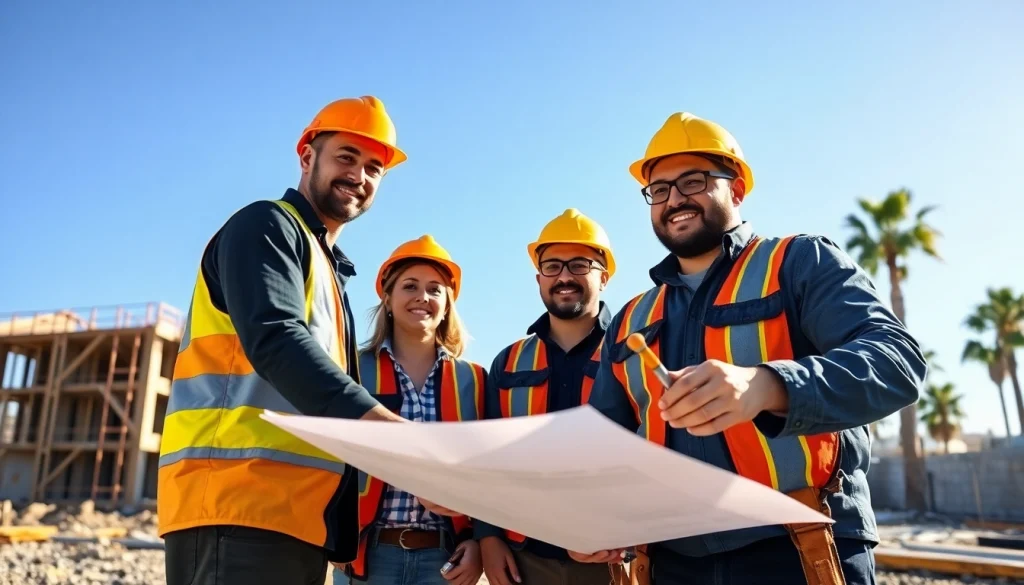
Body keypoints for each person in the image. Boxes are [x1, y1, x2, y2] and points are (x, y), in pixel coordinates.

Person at [583, 112, 928, 585]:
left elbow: (897, 362)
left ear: (737, 190)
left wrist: (768, 385)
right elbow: (605, 442)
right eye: (658, 189)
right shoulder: (630, 320)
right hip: (670, 563)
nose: (674, 199)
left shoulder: (800, 262)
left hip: (799, 548)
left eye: (693, 181)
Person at [158, 96, 411, 585]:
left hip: (292, 517)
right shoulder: (266, 226)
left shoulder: (323, 266)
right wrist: (388, 432)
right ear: (307, 156)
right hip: (235, 507)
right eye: (346, 157)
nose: (359, 175)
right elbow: (276, 338)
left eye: (374, 168)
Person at [474, 209, 623, 585]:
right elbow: (489, 457)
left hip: (612, 555)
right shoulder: (508, 361)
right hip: (526, 559)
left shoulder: (630, 350)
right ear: (539, 278)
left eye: (579, 265)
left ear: (603, 278)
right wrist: (488, 537)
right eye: (552, 266)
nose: (564, 277)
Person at [336, 235, 487, 585]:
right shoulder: (351, 371)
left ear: (447, 305)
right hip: (364, 560)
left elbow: (490, 471)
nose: (423, 297)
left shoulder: (475, 380)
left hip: (445, 560)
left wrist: (479, 541)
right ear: (387, 298)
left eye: (435, 289)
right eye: (410, 286)